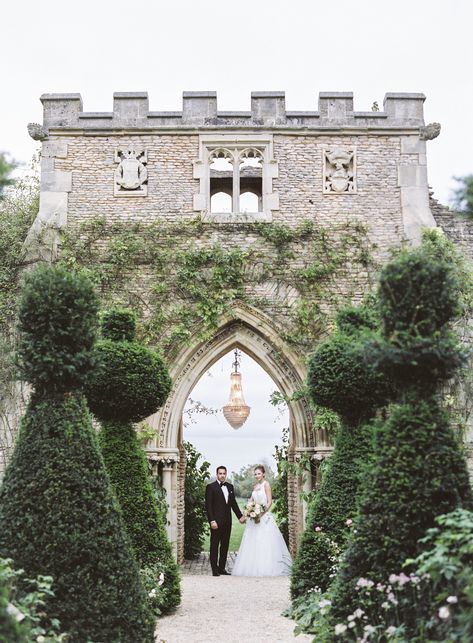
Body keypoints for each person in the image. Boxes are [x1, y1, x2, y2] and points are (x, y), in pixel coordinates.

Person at [232, 464, 292, 577]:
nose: (257, 476)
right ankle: (251, 568)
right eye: (255, 474)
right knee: (252, 541)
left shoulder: (266, 485)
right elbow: (250, 502)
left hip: (264, 518)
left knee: (265, 541)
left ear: (263, 474)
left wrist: (261, 513)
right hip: (254, 518)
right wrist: (247, 514)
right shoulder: (255, 487)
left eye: (259, 473)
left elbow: (269, 502)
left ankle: (266, 568)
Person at [205, 465, 245, 576]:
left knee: (225, 545)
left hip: (228, 521)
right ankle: (214, 569)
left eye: (224, 473)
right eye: (220, 473)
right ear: (217, 474)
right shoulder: (211, 487)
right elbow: (208, 506)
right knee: (214, 545)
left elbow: (233, 504)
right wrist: (212, 520)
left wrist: (240, 516)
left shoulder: (230, 487)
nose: (222, 475)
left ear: (226, 474)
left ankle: (222, 568)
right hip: (216, 522)